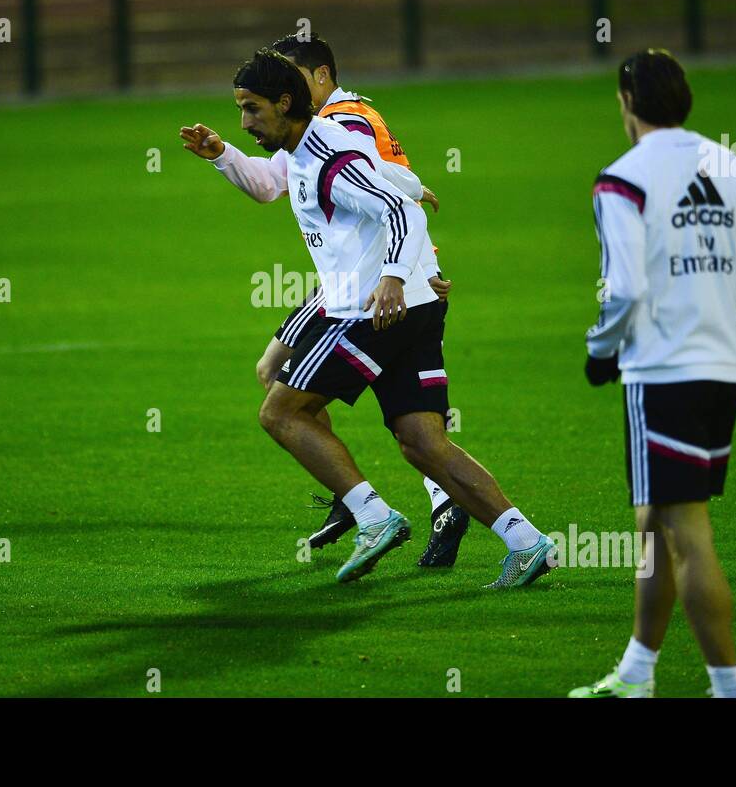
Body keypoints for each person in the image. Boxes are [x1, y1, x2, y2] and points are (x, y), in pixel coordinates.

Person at [181, 50, 555, 587]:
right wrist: (223, 156)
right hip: (411, 309)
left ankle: (372, 515)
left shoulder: (329, 151)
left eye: (252, 109)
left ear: (286, 102)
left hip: (374, 311)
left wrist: (397, 275)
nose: (244, 122)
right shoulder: (314, 148)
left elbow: (399, 210)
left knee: (281, 413)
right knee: (423, 443)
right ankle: (526, 542)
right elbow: (398, 186)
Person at [570, 49, 736, 697]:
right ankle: (638, 669)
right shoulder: (735, 167)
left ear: (627, 102)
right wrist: (718, 299)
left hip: (661, 370)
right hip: (723, 367)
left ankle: (729, 687)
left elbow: (626, 287)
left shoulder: (621, 178)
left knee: (687, 530)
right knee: (654, 519)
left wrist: (601, 347)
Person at [265, 33, 470, 567]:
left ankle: (370, 504)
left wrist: (416, 271)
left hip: (371, 282)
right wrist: (222, 156)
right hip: (358, 277)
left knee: (286, 392)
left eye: (288, 77)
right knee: (288, 378)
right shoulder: (321, 125)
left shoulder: (342, 121)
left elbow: (388, 196)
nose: (280, 90)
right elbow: (277, 181)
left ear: (320, 78)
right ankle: (377, 500)